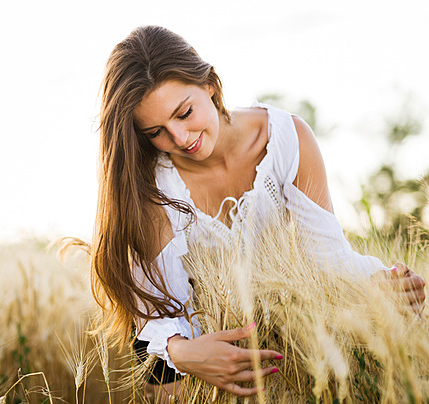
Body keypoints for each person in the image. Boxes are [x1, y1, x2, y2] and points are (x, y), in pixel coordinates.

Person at [91, 25, 426, 398]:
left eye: (184, 113)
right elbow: (159, 325)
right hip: (200, 383)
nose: (180, 139)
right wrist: (183, 352)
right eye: (156, 132)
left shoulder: (285, 139)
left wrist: (375, 285)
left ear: (210, 86)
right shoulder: (153, 189)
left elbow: (328, 260)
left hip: (295, 364)